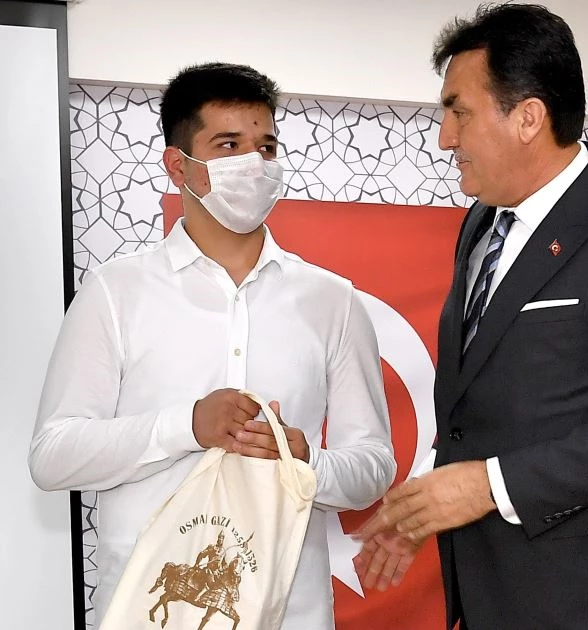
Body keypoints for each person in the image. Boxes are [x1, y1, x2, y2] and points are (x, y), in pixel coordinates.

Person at [354, 4, 588, 629]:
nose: (445, 137)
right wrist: (426, 509)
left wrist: (486, 486)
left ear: (528, 117)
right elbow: (486, 410)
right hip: (497, 596)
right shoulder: (481, 224)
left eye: (460, 112)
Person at [29, 62, 396, 629]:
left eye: (266, 147)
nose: (254, 163)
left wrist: (304, 461)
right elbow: (53, 456)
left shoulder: (334, 301)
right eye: (228, 145)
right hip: (145, 613)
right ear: (179, 165)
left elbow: (372, 468)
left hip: (290, 613)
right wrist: (187, 426)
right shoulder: (114, 292)